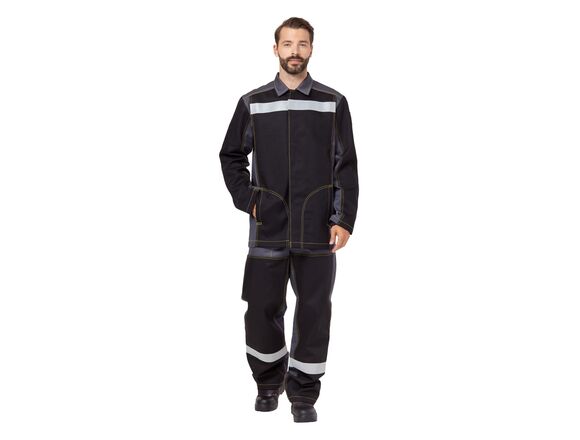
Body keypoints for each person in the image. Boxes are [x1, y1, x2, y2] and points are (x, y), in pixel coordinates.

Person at [219, 17, 359, 423]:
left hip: (318, 230)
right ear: (275, 49)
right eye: (287, 44)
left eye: (302, 44)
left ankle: (303, 394)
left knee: (314, 312)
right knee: (261, 308)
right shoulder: (253, 102)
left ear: (311, 49)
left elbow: (346, 165)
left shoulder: (333, 102)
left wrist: (344, 219)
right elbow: (231, 156)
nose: (294, 51)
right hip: (268, 228)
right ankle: (267, 383)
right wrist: (249, 200)